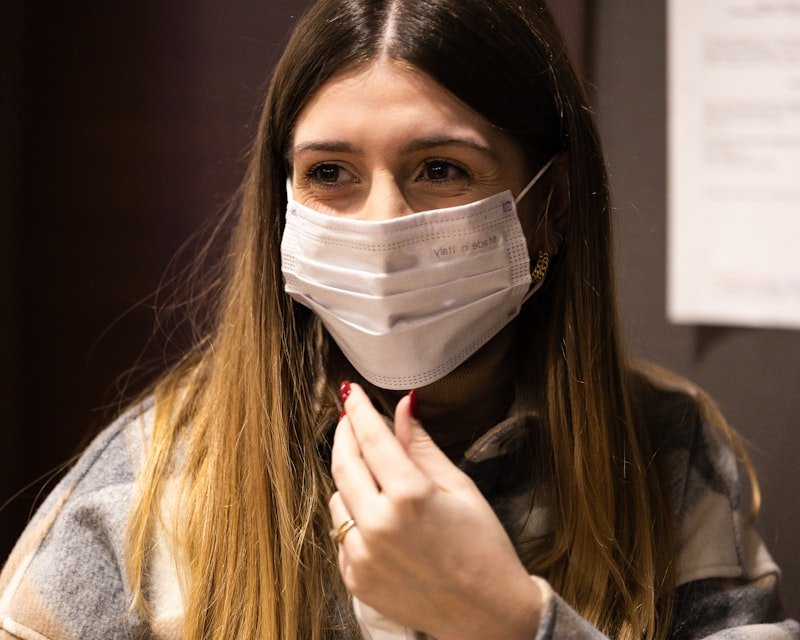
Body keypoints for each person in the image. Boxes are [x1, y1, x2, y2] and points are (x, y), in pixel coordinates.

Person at [0, 0, 797, 638]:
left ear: (549, 206)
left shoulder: (664, 451)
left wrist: (510, 624)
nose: (381, 223)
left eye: (440, 169)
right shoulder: (151, 483)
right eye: (330, 172)